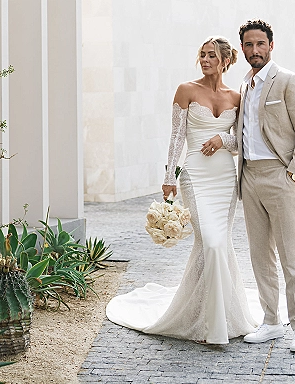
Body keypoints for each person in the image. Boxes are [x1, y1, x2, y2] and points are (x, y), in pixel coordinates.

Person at [106, 36, 258, 344]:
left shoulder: (237, 96)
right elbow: (176, 136)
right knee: (210, 242)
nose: (204, 60)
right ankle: (204, 321)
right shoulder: (186, 90)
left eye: (211, 56)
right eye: (202, 55)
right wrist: (169, 176)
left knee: (217, 243)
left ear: (225, 61)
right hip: (194, 173)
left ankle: (218, 317)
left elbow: (242, 138)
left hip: (225, 178)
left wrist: (221, 140)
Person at [236, 19, 295, 353]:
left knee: (291, 256)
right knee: (260, 256)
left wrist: (294, 174)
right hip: (249, 177)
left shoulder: (287, 81)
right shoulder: (245, 86)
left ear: (271, 45)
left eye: (260, 44)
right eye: (248, 45)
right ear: (241, 48)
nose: (254, 50)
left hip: (280, 176)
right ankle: (271, 321)